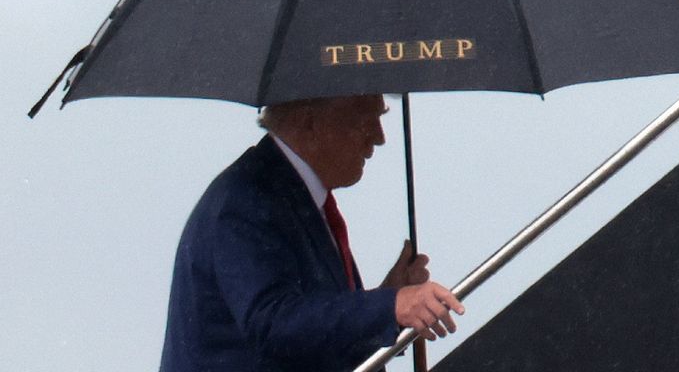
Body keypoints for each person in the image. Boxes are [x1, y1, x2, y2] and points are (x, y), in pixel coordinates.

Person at [160, 95, 464, 371]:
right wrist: (390, 306)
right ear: (310, 123)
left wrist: (389, 300)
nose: (379, 137)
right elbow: (272, 323)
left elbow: (311, 336)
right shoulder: (246, 199)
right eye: (364, 118)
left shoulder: (286, 195)